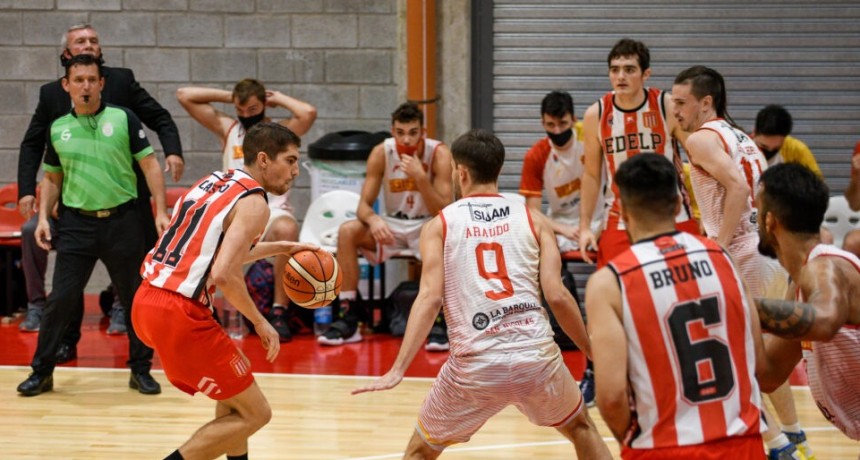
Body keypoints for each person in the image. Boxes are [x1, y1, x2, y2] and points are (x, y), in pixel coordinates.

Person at [352, 129, 612, 460]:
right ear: (498, 170)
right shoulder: (534, 220)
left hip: (475, 366)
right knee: (581, 428)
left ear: (460, 172)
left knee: (421, 451)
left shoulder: (440, 225)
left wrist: (398, 368)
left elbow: (429, 298)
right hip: (535, 356)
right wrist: (592, 354)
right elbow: (558, 296)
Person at [133, 122, 312, 460]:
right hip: (179, 312)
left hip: (146, 300)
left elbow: (212, 252)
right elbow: (225, 273)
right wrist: (260, 321)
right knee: (256, 413)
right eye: (289, 160)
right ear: (263, 159)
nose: (295, 171)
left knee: (235, 390)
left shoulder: (213, 181)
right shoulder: (255, 203)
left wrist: (281, 246)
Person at [585, 153, 766, 459]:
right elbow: (758, 362)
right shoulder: (723, 259)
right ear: (680, 203)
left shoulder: (609, 283)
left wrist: (632, 443)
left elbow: (612, 397)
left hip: (662, 447)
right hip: (742, 443)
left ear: (624, 212)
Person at [672, 65, 811, 460]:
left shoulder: (700, 138)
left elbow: (735, 186)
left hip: (741, 255)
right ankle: (794, 438)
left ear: (706, 102)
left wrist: (717, 244)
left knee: (725, 360)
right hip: (766, 252)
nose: (676, 111)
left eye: (682, 103)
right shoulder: (741, 138)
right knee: (763, 360)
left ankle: (777, 446)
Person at [17, 24, 184, 349]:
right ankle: (65, 340)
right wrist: (27, 190)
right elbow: (33, 145)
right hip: (75, 201)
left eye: (94, 39)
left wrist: (173, 150)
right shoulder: (51, 93)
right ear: (66, 56)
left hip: (128, 199)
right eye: (80, 41)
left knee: (137, 274)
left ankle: (137, 341)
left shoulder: (121, 79)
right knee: (69, 279)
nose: (89, 44)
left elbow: (159, 116)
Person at [176, 79, 317, 342]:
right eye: (241, 110)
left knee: (286, 229)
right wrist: (231, 97)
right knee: (219, 243)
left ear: (264, 104)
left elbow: (308, 113)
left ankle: (278, 311)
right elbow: (184, 95)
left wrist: (280, 97)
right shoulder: (230, 128)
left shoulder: (278, 134)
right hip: (236, 208)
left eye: (252, 109)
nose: (246, 116)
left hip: (272, 208)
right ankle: (218, 310)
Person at [321, 102, 453, 347]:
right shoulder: (381, 153)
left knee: (446, 234)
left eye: (413, 132)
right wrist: (373, 219)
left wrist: (421, 178)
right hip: (394, 224)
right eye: (401, 132)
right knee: (347, 231)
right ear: (393, 131)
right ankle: (348, 317)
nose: (407, 139)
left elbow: (445, 210)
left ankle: (439, 320)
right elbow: (363, 206)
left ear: (423, 132)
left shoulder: (440, 153)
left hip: (428, 225)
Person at [754, 162, 860, 441]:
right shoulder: (803, 281)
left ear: (770, 220)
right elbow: (770, 375)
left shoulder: (825, 266)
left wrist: (739, 305)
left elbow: (823, 322)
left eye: (757, 210)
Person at [578, 38, 698, 268]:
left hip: (671, 213)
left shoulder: (667, 105)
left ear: (646, 74)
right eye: (615, 70)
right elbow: (591, 175)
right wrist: (584, 228)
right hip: (620, 216)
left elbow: (698, 157)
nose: (620, 76)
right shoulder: (596, 114)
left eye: (629, 69)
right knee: (616, 288)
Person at [518, 90, 603, 407]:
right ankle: (562, 331)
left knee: (606, 281)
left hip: (601, 218)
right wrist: (567, 228)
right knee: (535, 247)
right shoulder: (537, 154)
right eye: (550, 125)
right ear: (542, 122)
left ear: (574, 119)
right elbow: (533, 211)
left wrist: (587, 226)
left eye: (562, 123)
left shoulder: (589, 139)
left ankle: (611, 349)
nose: (556, 131)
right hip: (561, 224)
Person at [751, 105, 821, 175]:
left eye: (776, 148)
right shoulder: (741, 148)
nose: (769, 152)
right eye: (763, 146)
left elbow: (816, 182)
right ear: (754, 132)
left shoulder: (796, 150)